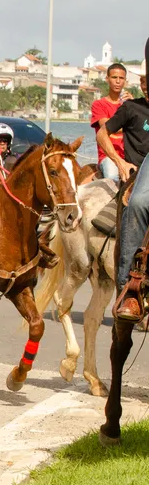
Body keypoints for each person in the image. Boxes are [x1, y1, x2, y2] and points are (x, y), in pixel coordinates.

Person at [97, 62, 149, 321]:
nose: (146, 86)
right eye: (144, 81)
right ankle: (129, 288)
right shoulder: (132, 108)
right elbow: (103, 133)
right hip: (138, 172)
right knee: (136, 204)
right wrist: (119, 163)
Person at [92, 63, 129, 181]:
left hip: (128, 155)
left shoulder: (130, 105)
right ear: (107, 79)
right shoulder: (99, 105)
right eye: (114, 77)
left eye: (121, 78)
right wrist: (130, 125)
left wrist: (134, 107)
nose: (118, 81)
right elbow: (107, 126)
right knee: (113, 177)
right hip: (108, 156)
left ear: (125, 81)